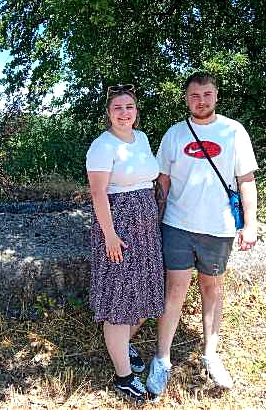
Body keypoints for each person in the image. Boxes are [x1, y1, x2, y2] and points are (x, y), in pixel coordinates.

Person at [146, 72, 258, 396]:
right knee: (175, 291)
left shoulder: (234, 132)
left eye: (207, 94)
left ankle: (211, 354)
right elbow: (163, 182)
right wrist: (156, 217)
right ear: (186, 98)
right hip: (178, 225)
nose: (201, 101)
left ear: (216, 96)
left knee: (213, 289)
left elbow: (246, 181)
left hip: (219, 227)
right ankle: (162, 359)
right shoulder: (174, 134)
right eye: (195, 96)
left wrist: (250, 224)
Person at [86, 84, 165, 404]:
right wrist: (110, 235)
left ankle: (123, 347)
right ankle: (124, 377)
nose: (124, 112)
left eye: (129, 107)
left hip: (146, 229)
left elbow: (152, 179)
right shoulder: (102, 146)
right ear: (109, 113)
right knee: (119, 303)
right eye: (117, 107)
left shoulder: (142, 138)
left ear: (136, 111)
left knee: (143, 296)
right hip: (118, 229)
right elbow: (98, 194)